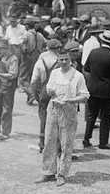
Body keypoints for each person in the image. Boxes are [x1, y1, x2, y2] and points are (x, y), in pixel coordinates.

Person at [36, 48, 89, 186]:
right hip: (53, 109)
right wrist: (50, 91)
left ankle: (63, 174)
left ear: (70, 60)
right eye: (61, 59)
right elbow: (48, 88)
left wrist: (71, 100)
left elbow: (85, 96)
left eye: (66, 59)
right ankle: (48, 172)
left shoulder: (78, 76)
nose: (64, 62)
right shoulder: (54, 73)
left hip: (68, 111)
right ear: (57, 60)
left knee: (66, 143)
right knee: (49, 141)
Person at [83, 30, 110, 149]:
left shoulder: (93, 53)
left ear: (101, 40)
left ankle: (86, 139)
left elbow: (87, 68)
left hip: (92, 88)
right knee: (105, 117)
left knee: (91, 115)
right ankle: (103, 142)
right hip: (107, 90)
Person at [30, 39, 61, 152]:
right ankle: (57, 145)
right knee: (57, 118)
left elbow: (33, 82)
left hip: (44, 92)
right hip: (58, 93)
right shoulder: (62, 62)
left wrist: (36, 96)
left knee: (43, 117)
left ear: (47, 48)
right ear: (58, 49)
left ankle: (42, 143)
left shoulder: (40, 62)